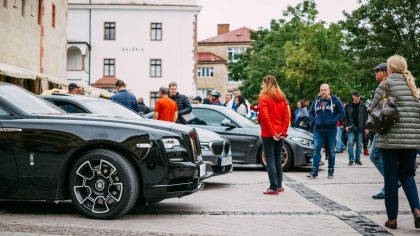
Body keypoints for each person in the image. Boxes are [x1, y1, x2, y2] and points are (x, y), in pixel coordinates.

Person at [369, 55, 420, 229]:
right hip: (411, 140)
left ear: (390, 69)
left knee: (391, 178)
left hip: (390, 139)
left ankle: (392, 219)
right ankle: (417, 211)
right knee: (407, 176)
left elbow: (372, 109)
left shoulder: (386, 84)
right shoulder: (413, 86)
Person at [258, 75, 290, 195]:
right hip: (279, 133)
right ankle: (279, 185)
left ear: (267, 84)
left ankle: (273, 187)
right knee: (277, 159)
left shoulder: (263, 97)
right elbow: (286, 116)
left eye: (263, 83)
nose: (262, 85)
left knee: (270, 160)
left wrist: (273, 133)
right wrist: (282, 132)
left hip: (268, 133)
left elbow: (266, 117)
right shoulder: (282, 97)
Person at [307, 84, 344, 179]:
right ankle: (314, 171)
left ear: (329, 91)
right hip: (318, 130)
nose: (323, 91)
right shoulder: (316, 101)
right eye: (321, 90)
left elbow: (342, 113)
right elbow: (311, 113)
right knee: (316, 149)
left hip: (331, 130)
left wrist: (334, 121)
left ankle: (330, 171)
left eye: (325, 90)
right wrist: (314, 121)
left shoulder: (335, 101)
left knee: (331, 151)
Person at [370, 63, 388, 200]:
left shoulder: (384, 85)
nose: (375, 74)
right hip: (389, 125)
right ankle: (389, 185)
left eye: (377, 71)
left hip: (383, 126)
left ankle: (392, 182)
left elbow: (373, 107)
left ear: (384, 72)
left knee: (375, 155)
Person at [344, 91, 368, 166]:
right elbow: (345, 117)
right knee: (350, 143)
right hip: (351, 127)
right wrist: (345, 126)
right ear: (353, 96)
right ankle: (351, 159)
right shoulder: (348, 105)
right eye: (356, 96)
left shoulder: (363, 106)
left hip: (360, 127)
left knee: (359, 145)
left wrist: (366, 128)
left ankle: (357, 160)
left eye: (359, 96)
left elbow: (366, 118)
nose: (358, 97)